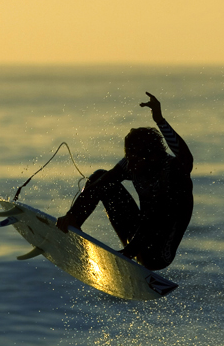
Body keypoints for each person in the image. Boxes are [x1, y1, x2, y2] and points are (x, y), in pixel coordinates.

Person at [56, 92, 193, 270]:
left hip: (157, 254)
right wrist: (72, 214)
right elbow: (99, 185)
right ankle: (73, 223)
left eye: (134, 159)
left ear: (152, 157)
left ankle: (129, 254)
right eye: (128, 157)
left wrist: (159, 120)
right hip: (137, 237)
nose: (130, 164)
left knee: (158, 211)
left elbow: (186, 157)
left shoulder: (173, 172)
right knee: (100, 176)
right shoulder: (132, 164)